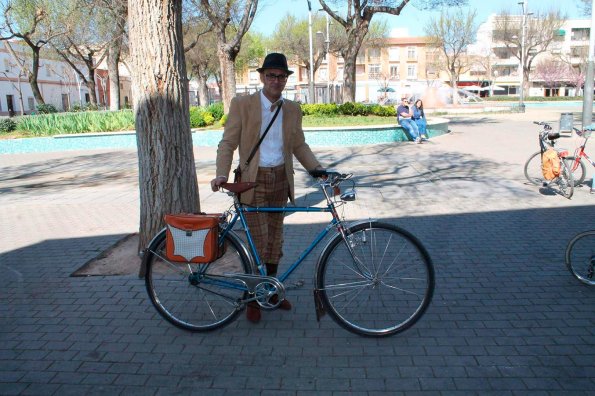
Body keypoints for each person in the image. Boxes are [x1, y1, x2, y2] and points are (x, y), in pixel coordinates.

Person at [210, 53, 324, 324]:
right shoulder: (243, 105)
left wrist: (317, 170)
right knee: (258, 244)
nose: (276, 80)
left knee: (275, 243)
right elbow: (227, 143)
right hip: (253, 181)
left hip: (280, 181)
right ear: (262, 77)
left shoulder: (293, 109)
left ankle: (270, 292)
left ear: (286, 80)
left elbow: (299, 145)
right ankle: (253, 297)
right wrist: (221, 174)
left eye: (281, 76)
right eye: (271, 75)